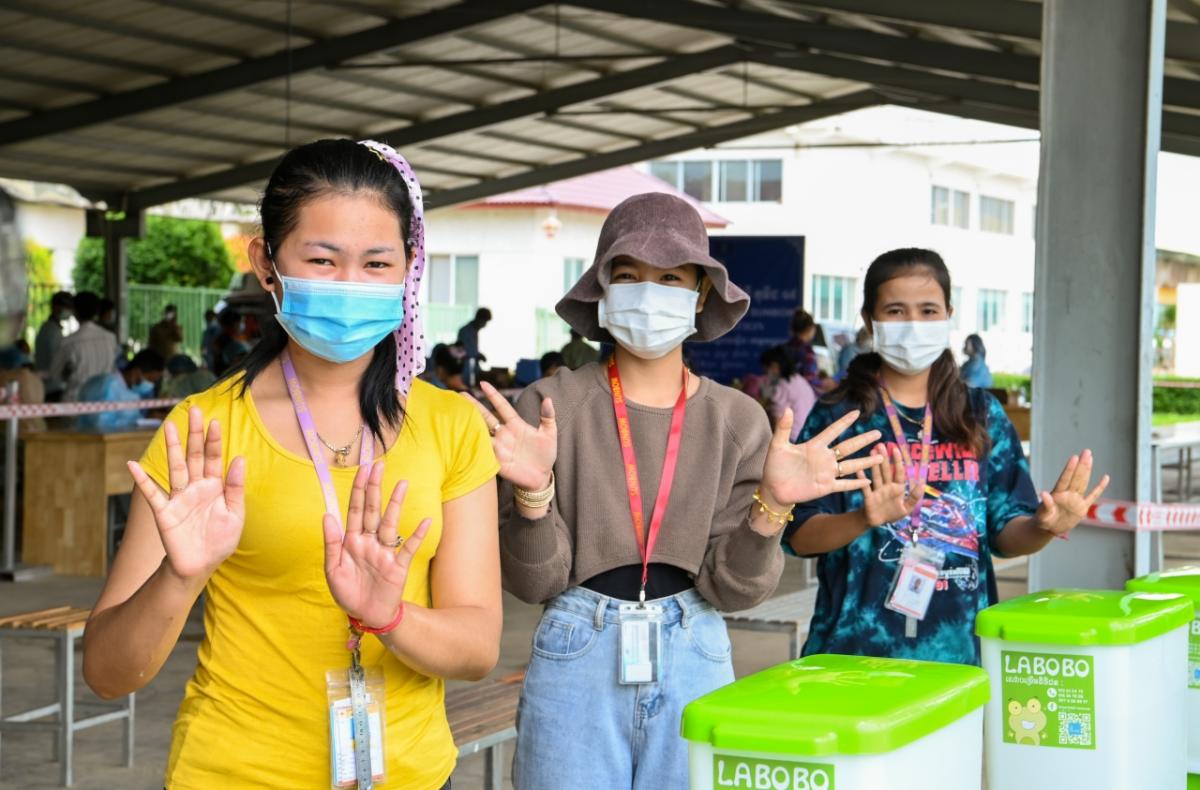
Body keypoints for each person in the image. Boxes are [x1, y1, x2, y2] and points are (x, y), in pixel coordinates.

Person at [82, 139, 501, 789]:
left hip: (414, 774)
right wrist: (178, 576)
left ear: (408, 269)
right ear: (266, 263)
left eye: (376, 263)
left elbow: (477, 649)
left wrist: (389, 617)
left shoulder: (452, 425)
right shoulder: (203, 432)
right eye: (323, 260)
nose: (350, 285)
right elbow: (108, 675)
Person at [472, 192, 882, 789]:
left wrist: (773, 511)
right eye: (629, 274)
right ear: (603, 289)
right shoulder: (548, 407)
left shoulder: (739, 420)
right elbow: (536, 581)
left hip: (696, 645)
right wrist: (534, 497)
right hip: (574, 649)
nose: (647, 291)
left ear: (700, 294)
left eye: (669, 277)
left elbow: (734, 589)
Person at [786, 248, 1109, 666]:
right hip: (852, 656)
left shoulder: (980, 415)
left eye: (928, 310)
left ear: (948, 315)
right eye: (896, 311)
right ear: (870, 320)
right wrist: (863, 518)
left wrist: (1045, 527)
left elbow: (1005, 536)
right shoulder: (839, 417)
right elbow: (799, 535)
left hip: (957, 656)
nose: (914, 325)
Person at [49, 291, 119, 402]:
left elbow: (54, 375)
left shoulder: (69, 342)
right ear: (97, 312)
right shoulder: (111, 338)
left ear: (74, 312)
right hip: (104, 400)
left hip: (75, 403)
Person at [76, 349, 165, 432]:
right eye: (150, 380)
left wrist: (149, 419)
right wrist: (137, 422)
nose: (151, 385)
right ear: (137, 371)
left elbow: (134, 419)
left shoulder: (133, 393)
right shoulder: (108, 385)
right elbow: (101, 423)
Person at [761, 345, 816, 441]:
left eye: (766, 369)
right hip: (807, 434)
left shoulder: (780, 387)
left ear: (775, 366)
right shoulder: (799, 379)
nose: (766, 373)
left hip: (792, 438)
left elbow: (778, 422)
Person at [35, 290, 72, 398]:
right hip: (53, 388)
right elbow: (58, 361)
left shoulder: (51, 329)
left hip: (51, 385)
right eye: (67, 307)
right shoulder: (51, 331)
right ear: (56, 307)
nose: (70, 311)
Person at [783, 308, 826, 394]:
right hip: (802, 396)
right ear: (810, 328)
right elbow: (810, 379)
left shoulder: (784, 348)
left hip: (783, 393)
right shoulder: (807, 351)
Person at [456, 307, 491, 386]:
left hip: (472, 368)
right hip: (465, 368)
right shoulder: (465, 331)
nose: (485, 325)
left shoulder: (474, 331)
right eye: (485, 321)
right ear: (480, 319)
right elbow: (466, 351)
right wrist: (478, 355)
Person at [208, 307, 242, 376]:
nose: (239, 326)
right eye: (238, 323)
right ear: (233, 324)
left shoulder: (220, 338)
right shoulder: (226, 340)